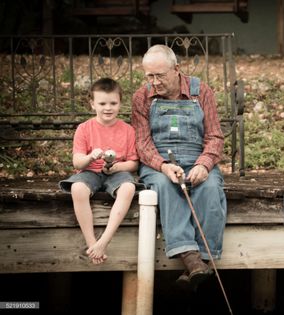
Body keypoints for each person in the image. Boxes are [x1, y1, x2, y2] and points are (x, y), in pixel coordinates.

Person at [132, 45, 227, 286]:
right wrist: (163, 166)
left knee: (210, 188)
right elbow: (142, 144)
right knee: (164, 186)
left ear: (176, 69)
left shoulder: (201, 91)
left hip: (197, 157)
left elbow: (215, 136)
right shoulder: (141, 97)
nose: (155, 82)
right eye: (149, 76)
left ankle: (200, 264)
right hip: (159, 162)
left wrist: (204, 165)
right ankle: (192, 260)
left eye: (160, 75)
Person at [59, 78, 143, 264]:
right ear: (92, 104)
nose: (108, 108)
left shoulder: (128, 130)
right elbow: (77, 162)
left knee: (128, 188)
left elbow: (133, 163)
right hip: (90, 172)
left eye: (113, 103)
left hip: (117, 172)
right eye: (102, 103)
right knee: (78, 189)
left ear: (120, 103)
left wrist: (117, 167)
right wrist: (90, 157)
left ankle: (105, 240)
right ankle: (92, 244)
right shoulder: (84, 128)